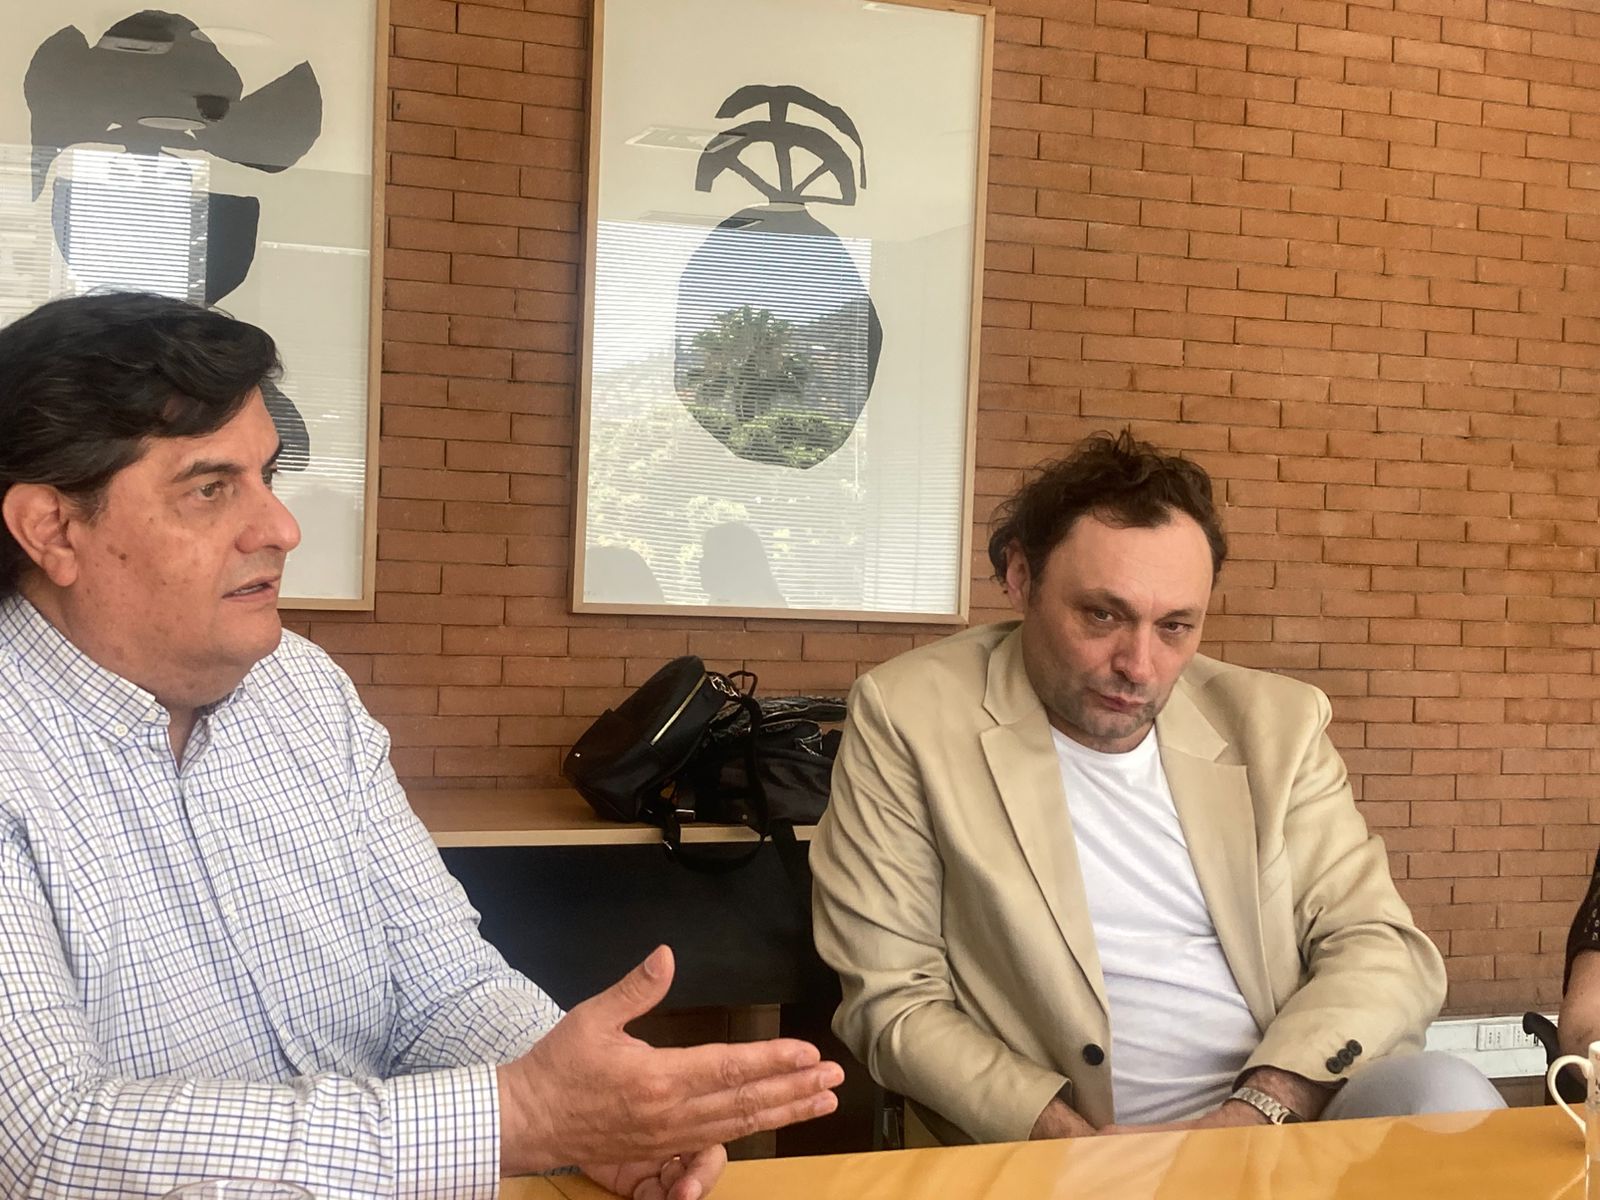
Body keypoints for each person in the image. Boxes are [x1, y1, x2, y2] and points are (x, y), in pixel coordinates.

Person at [0, 292, 843, 1199]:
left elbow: (443, 989)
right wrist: (515, 1118)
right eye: (211, 488)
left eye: (268, 476)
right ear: (52, 529)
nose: (280, 528)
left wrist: (594, 1107)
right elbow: (47, 1141)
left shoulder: (303, 693)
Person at [809, 429, 1502, 1146]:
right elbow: (894, 999)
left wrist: (1252, 1114)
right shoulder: (910, 717)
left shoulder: (1280, 725)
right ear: (1020, 576)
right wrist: (1074, 1146)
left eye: (1174, 626)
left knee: (1449, 1093)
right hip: (1063, 1146)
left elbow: (1381, 947)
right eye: (1102, 615)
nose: (1139, 666)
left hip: (1280, 1121)